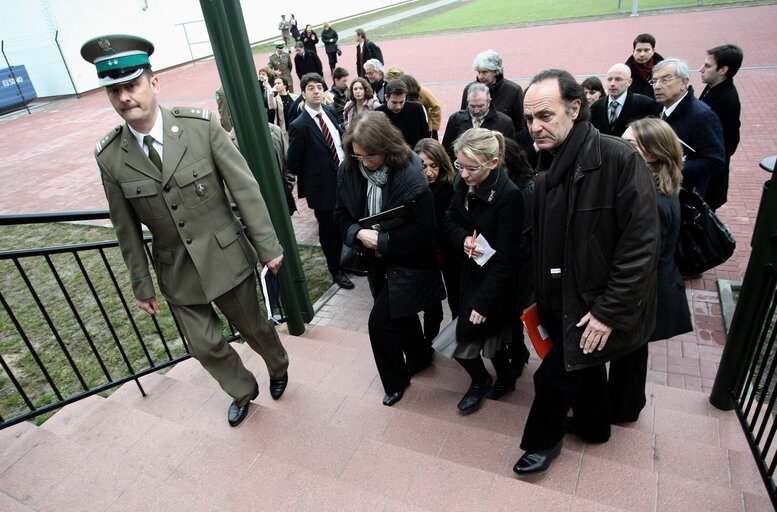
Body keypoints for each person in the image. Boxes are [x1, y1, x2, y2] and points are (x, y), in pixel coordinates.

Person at [81, 35, 290, 428]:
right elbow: (125, 228)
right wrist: (141, 283)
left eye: (132, 85)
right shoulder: (110, 158)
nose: (125, 97)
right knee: (203, 346)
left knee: (256, 329)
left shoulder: (201, 127)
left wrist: (267, 245)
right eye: (115, 90)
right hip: (176, 270)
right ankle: (242, 390)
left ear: (153, 83)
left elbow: (244, 187)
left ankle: (278, 366)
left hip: (227, 257)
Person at [513, 69, 658, 475]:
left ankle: (542, 443)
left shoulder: (619, 159)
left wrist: (609, 311)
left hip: (594, 305)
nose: (535, 127)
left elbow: (642, 247)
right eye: (529, 119)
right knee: (585, 367)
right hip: (558, 300)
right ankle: (595, 428)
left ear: (575, 109)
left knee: (552, 379)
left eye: (545, 115)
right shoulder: (546, 168)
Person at [335, 111, 442, 406]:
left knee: (379, 323)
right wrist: (357, 232)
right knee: (402, 314)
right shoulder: (349, 169)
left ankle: (396, 381)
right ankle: (420, 358)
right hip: (375, 260)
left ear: (387, 147)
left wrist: (381, 240)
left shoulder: (411, 175)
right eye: (358, 156)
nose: (364, 162)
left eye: (370, 156)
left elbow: (424, 232)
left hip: (408, 261)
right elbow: (341, 214)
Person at [612, 117, 693, 422]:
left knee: (630, 353)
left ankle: (623, 409)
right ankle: (626, 405)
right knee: (632, 353)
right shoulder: (659, 183)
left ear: (654, 153)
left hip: (646, 290)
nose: (621, 147)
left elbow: (644, 255)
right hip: (651, 286)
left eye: (630, 144)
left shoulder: (652, 198)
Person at [441, 127, 524, 414]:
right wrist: (463, 239)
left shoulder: (509, 196)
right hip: (469, 274)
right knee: (491, 335)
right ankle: (503, 378)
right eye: (459, 166)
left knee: (469, 332)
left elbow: (507, 259)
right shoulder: (465, 182)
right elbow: (449, 220)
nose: (463, 174)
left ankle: (483, 381)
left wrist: (484, 302)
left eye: (471, 168)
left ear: (493, 162)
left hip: (494, 283)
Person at [287, 73, 354, 290]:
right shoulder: (300, 125)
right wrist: (316, 174)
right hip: (322, 189)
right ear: (304, 93)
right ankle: (337, 271)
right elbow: (293, 162)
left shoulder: (330, 112)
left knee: (347, 223)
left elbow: (339, 142)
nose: (317, 91)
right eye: (311, 88)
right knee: (329, 232)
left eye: (319, 87)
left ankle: (349, 260)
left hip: (344, 181)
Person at [652, 58, 725, 197]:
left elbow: (715, 160)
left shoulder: (701, 115)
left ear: (683, 82)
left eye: (665, 79)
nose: (657, 86)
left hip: (685, 195)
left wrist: (669, 169)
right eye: (654, 81)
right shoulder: (661, 109)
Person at [414, 138, 459, 343]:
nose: (429, 172)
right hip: (425, 256)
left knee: (457, 300)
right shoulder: (413, 188)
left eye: (434, 166)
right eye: (423, 166)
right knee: (431, 305)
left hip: (451, 255)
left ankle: (461, 341)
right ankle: (428, 343)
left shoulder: (453, 188)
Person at [501, 138, 533, 378]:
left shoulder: (525, 191)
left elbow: (523, 238)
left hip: (519, 267)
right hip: (505, 262)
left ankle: (518, 353)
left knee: (513, 314)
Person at [699, 44, 743, 210]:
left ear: (723, 70)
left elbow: (730, 141)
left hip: (710, 180)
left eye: (708, 66)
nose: (701, 69)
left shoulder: (726, 99)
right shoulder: (713, 88)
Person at [459, 50, 527, 141]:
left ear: (495, 72)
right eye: (478, 72)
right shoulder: (469, 90)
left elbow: (520, 126)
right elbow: (463, 119)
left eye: (484, 72)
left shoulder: (514, 91)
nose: (480, 76)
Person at [442, 82, 515, 162]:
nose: (476, 111)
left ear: (489, 102)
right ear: (467, 101)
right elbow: (446, 151)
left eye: (480, 106)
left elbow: (508, 154)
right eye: (472, 106)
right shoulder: (455, 120)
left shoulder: (504, 122)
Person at [590, 63, 658, 137]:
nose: (612, 83)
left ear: (629, 82)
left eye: (618, 79)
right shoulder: (596, 107)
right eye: (610, 79)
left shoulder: (645, 105)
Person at [376, 80, 430, 148]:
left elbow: (425, 137)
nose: (398, 107)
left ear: (405, 97)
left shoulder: (417, 109)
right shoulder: (377, 114)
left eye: (401, 102)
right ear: (386, 97)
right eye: (394, 103)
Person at [396, 73, 442, 140]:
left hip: (425, 128)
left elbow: (436, 106)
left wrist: (434, 128)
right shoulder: (403, 95)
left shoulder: (422, 91)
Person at [625, 33, 664, 99]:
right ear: (633, 51)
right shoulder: (626, 71)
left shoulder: (664, 69)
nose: (642, 54)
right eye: (639, 50)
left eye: (646, 50)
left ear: (653, 51)